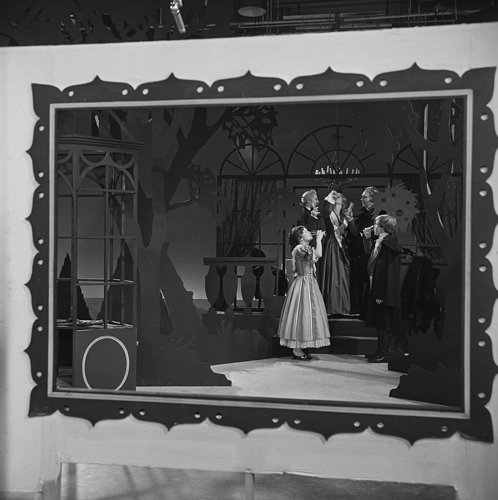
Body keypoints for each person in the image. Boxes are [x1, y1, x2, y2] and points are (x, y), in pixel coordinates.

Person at [278, 226, 330, 360]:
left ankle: (301, 346)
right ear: (300, 237)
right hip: (303, 284)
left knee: (308, 314)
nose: (309, 232)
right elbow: (318, 255)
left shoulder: (305, 249)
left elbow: (315, 256)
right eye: (306, 232)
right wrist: (319, 239)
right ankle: (296, 349)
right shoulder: (299, 249)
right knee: (301, 314)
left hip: (310, 283)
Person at [361, 215, 402, 363]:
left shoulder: (389, 244)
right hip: (376, 286)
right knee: (378, 321)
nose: (374, 227)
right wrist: (367, 239)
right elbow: (370, 257)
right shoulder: (380, 241)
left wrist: (380, 293)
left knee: (384, 322)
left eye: (377, 225)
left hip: (383, 290)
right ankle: (380, 349)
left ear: (384, 227)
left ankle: (386, 351)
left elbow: (385, 271)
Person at [318, 189, 354, 315]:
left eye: (339, 203)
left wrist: (347, 221)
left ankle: (342, 306)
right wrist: (331, 196)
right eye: (335, 203)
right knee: (333, 274)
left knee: (342, 275)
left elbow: (344, 232)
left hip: (339, 246)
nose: (337, 205)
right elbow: (326, 210)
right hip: (331, 246)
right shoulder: (329, 215)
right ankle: (332, 306)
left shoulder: (341, 216)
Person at [347, 186, 379, 314]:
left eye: (364, 197)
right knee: (359, 279)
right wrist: (350, 220)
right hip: (360, 252)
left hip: (373, 253)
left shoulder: (379, 214)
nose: (361, 199)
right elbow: (356, 233)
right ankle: (360, 306)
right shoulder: (363, 215)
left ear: (373, 198)